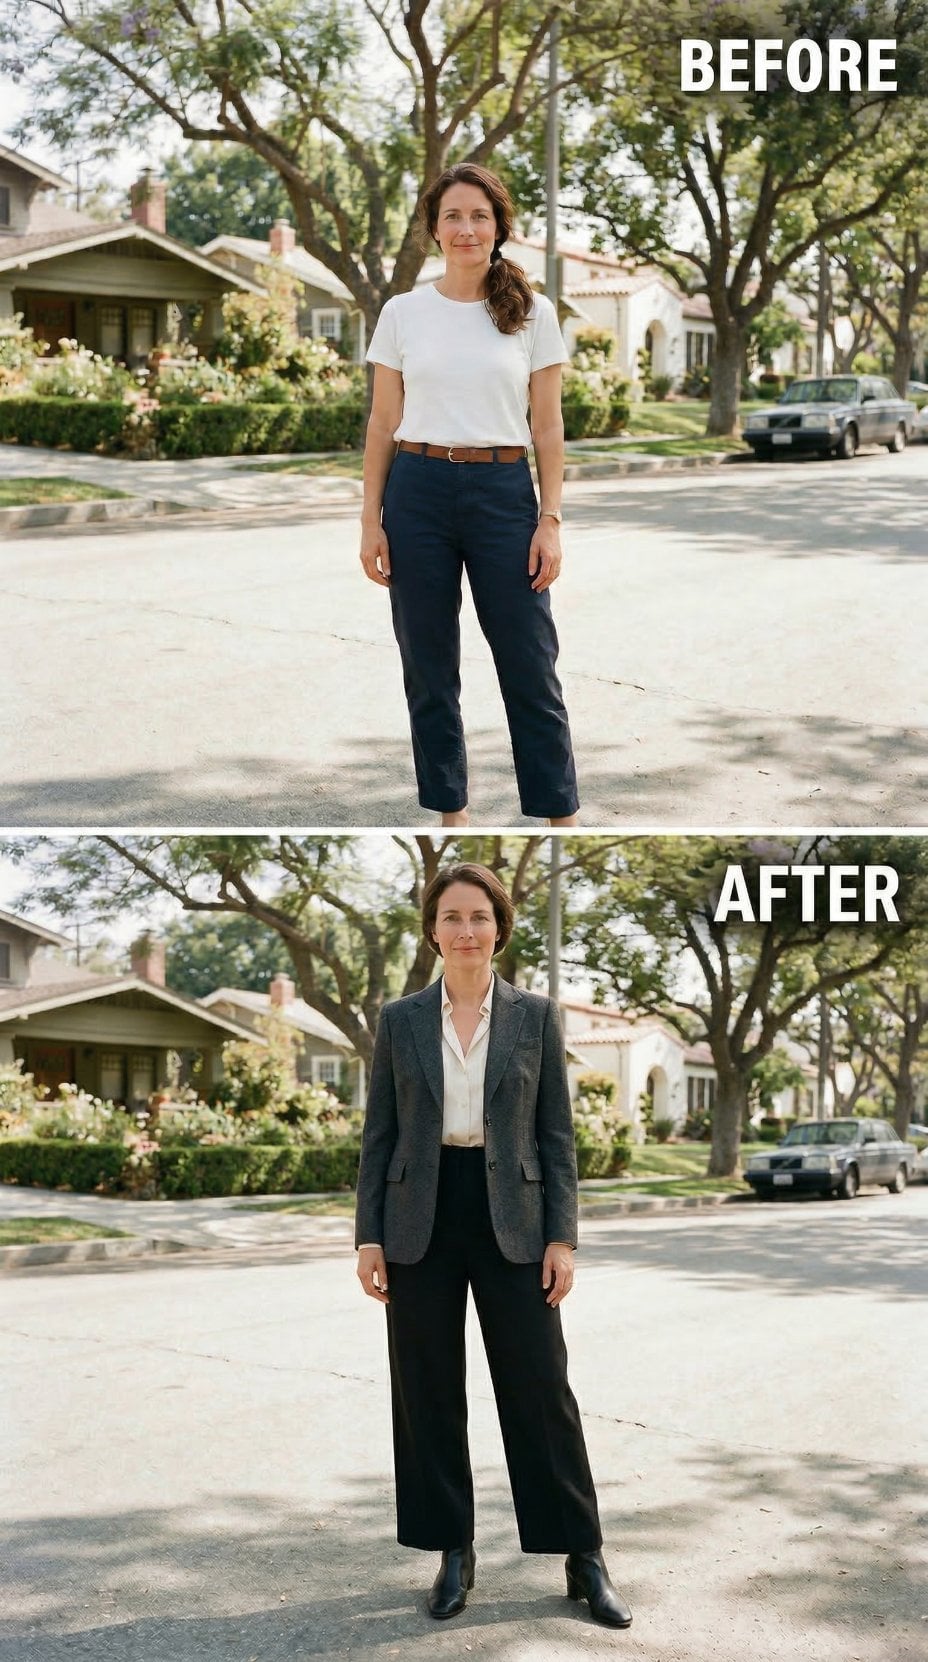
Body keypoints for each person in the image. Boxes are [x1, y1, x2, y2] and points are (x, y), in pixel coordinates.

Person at [355, 863, 631, 1629]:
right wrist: (369, 1235)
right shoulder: (400, 1019)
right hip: (420, 1218)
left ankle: (583, 1554)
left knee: (542, 1390)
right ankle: (453, 1551)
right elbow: (379, 1134)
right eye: (451, 916)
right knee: (428, 1392)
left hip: (515, 1216)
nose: (466, 930)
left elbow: (556, 1136)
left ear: (500, 928)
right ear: (432, 930)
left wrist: (562, 1237)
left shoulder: (535, 1016)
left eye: (479, 916)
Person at [359, 163, 579, 829]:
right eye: (452, 215)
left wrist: (550, 520)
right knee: (428, 667)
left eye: (479, 216)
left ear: (498, 227)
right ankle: (451, 815)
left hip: (503, 492)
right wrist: (371, 520)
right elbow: (382, 423)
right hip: (417, 492)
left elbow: (548, 426)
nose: (466, 228)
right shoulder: (403, 313)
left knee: (529, 662)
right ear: (433, 228)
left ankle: (560, 816)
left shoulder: (533, 313)